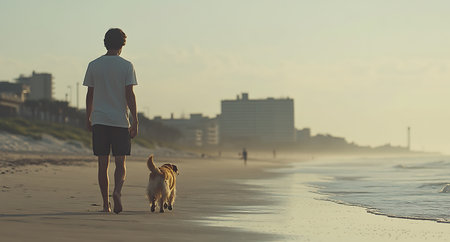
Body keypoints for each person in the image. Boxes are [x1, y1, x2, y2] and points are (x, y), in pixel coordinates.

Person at [83, 28, 138, 214]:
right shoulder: (126, 66)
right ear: (122, 44)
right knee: (120, 163)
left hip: (99, 120)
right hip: (120, 121)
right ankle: (117, 192)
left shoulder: (94, 65)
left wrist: (88, 117)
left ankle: (105, 204)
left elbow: (89, 95)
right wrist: (135, 120)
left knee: (102, 164)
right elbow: (129, 94)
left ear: (105, 43)